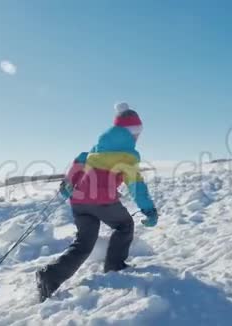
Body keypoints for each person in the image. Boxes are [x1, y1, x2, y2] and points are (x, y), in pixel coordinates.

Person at [36, 102, 159, 302]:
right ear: (130, 132)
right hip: (102, 201)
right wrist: (149, 210)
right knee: (125, 225)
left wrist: (67, 186)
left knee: (84, 244)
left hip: (79, 202)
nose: (138, 137)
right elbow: (136, 186)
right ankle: (115, 265)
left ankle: (50, 276)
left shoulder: (97, 149)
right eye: (137, 133)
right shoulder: (127, 157)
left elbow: (79, 161)